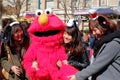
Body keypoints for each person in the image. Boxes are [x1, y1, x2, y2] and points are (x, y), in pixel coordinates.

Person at [69, 15, 120, 80]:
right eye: (92, 30)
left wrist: (77, 76)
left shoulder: (113, 44)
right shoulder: (102, 43)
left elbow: (97, 65)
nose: (93, 33)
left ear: (103, 28)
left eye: (95, 30)